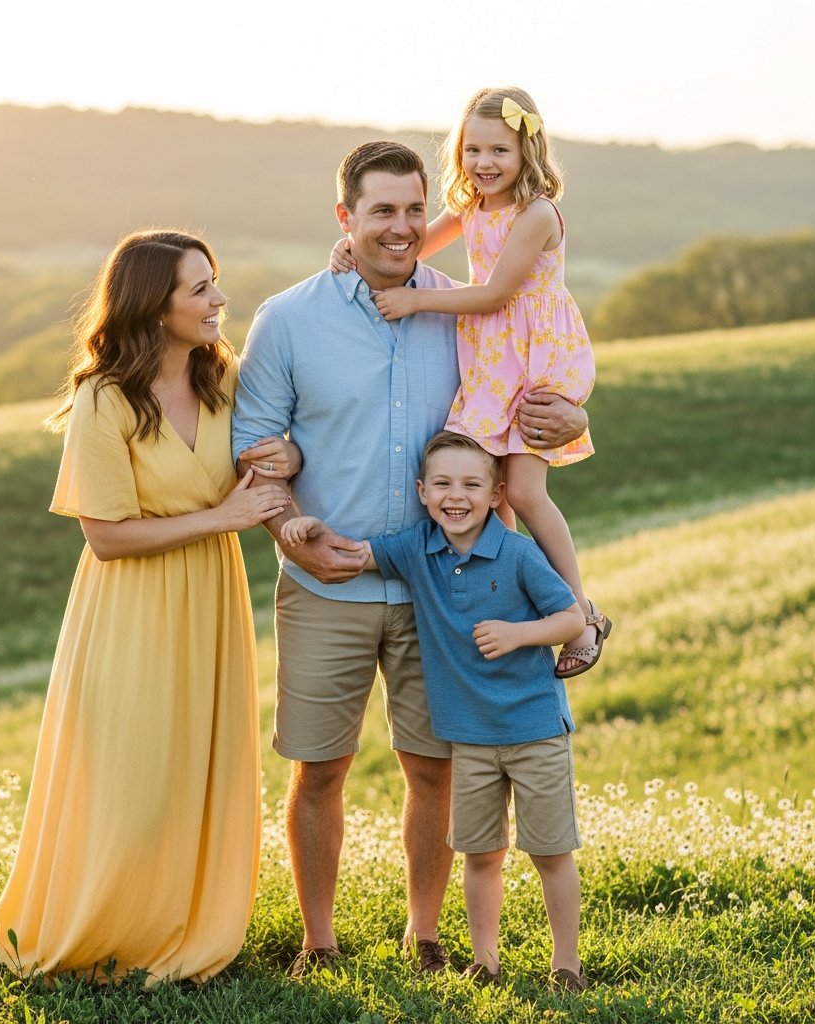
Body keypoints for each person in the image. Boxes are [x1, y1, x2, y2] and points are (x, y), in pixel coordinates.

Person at [232, 141, 590, 976]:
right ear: (344, 218)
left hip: (447, 591)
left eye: (412, 209)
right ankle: (319, 943)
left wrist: (572, 415)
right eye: (380, 211)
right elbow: (254, 445)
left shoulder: (469, 308)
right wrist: (290, 528)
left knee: (435, 769)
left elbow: (539, 359)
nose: (400, 228)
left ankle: (425, 936)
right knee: (319, 768)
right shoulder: (288, 318)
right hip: (328, 587)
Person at [0, 229, 299, 984]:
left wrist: (287, 457)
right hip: (128, 606)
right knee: (131, 773)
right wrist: (224, 517)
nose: (218, 300)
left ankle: (187, 928)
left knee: (196, 766)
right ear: (154, 308)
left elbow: (271, 458)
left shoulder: (225, 379)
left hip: (210, 599)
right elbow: (106, 537)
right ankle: (105, 926)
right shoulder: (105, 396)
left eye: (214, 282)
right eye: (199, 289)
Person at [281, 430, 588, 991]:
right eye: (442, 484)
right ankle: (484, 960)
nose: (456, 496)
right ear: (422, 492)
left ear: (497, 493)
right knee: (480, 853)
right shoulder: (418, 549)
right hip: (468, 737)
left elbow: (572, 619)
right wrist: (312, 530)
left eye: (472, 484)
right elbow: (358, 553)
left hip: (535, 728)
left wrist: (519, 634)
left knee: (550, 851)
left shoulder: (518, 554)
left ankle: (566, 965)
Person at [331, 88, 610, 678]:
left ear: (526, 148)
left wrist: (414, 302)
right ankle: (506, 593)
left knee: (527, 491)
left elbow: (495, 294)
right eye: (473, 149)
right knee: (491, 492)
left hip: (531, 357)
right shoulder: (471, 206)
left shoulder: (536, 214)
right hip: (490, 358)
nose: (484, 162)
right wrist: (353, 246)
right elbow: (411, 247)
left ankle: (583, 614)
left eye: (499, 150)